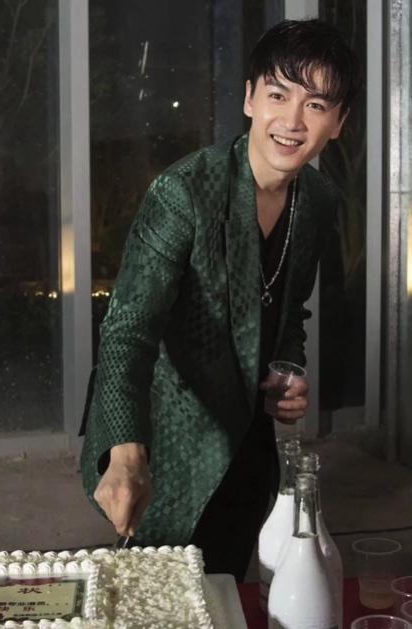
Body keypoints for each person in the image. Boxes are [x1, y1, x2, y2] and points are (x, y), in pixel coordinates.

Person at [81, 19, 360, 582]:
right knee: (160, 595)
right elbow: (127, 331)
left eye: (315, 105)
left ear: (338, 122)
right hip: (167, 433)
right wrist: (126, 450)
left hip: (249, 436)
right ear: (250, 98)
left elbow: (289, 308)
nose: (292, 121)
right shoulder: (183, 192)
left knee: (228, 588)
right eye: (278, 95)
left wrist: (288, 368)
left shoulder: (318, 201)